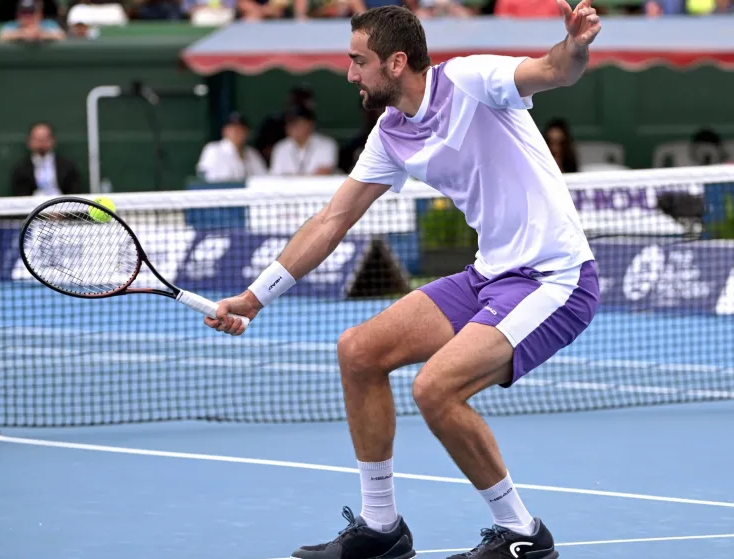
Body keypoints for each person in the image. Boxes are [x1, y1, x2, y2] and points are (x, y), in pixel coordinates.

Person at [205, 4, 601, 559]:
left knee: (435, 388)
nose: (350, 74)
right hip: (490, 273)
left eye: (358, 61)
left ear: (395, 63)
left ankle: (523, 533)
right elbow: (332, 219)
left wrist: (575, 45)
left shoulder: (471, 80)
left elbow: (553, 70)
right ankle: (381, 526)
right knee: (359, 352)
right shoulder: (390, 134)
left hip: (555, 278)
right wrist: (254, 297)